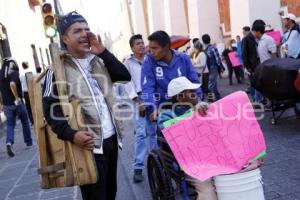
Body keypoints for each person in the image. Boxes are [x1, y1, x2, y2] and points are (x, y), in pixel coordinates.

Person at [42, 11, 131, 200]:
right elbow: (50, 110)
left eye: (87, 29)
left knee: (110, 193)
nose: (84, 34)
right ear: (65, 38)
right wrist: (72, 135)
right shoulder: (56, 70)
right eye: (77, 31)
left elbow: (124, 76)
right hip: (87, 145)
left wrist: (103, 52)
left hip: (111, 139)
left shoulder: (98, 60)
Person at [157, 76, 217, 200]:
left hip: (211, 156)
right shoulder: (166, 115)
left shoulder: (200, 107)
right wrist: (192, 114)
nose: (196, 94)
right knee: (207, 188)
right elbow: (170, 131)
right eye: (191, 92)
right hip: (189, 163)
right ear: (179, 97)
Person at [141, 30, 202, 122]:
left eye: (154, 48)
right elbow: (148, 88)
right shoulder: (148, 61)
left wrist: (198, 101)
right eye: (150, 48)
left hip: (186, 107)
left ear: (166, 47)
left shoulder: (183, 58)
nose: (151, 51)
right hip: (163, 111)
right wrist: (153, 108)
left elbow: (194, 81)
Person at [124, 34, 157, 183]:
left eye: (142, 43)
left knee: (154, 131)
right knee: (141, 134)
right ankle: (138, 167)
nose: (141, 45)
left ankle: (157, 161)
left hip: (153, 97)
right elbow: (127, 82)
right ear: (132, 48)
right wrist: (138, 101)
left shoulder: (151, 59)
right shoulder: (128, 63)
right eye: (138, 43)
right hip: (138, 98)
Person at [0, 57, 33, 158]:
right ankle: (28, 142)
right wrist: (17, 97)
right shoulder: (14, 73)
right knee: (25, 122)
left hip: (6, 105)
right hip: (17, 103)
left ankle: (9, 142)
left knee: (10, 125)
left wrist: (1, 103)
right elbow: (12, 84)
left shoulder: (1, 75)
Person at [252, 20, 277, 106]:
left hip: (270, 68)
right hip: (264, 68)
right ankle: (270, 102)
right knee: (266, 86)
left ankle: (273, 103)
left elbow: (273, 54)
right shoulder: (260, 41)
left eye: (254, 31)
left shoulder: (268, 39)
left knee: (271, 86)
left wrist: (273, 68)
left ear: (258, 31)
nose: (253, 33)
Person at [202, 34, 224, 101]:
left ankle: (211, 99)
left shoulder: (205, 49)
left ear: (203, 41)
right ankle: (217, 97)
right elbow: (218, 59)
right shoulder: (212, 48)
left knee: (211, 84)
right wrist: (221, 67)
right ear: (210, 39)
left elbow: (217, 59)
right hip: (212, 68)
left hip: (209, 69)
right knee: (213, 84)